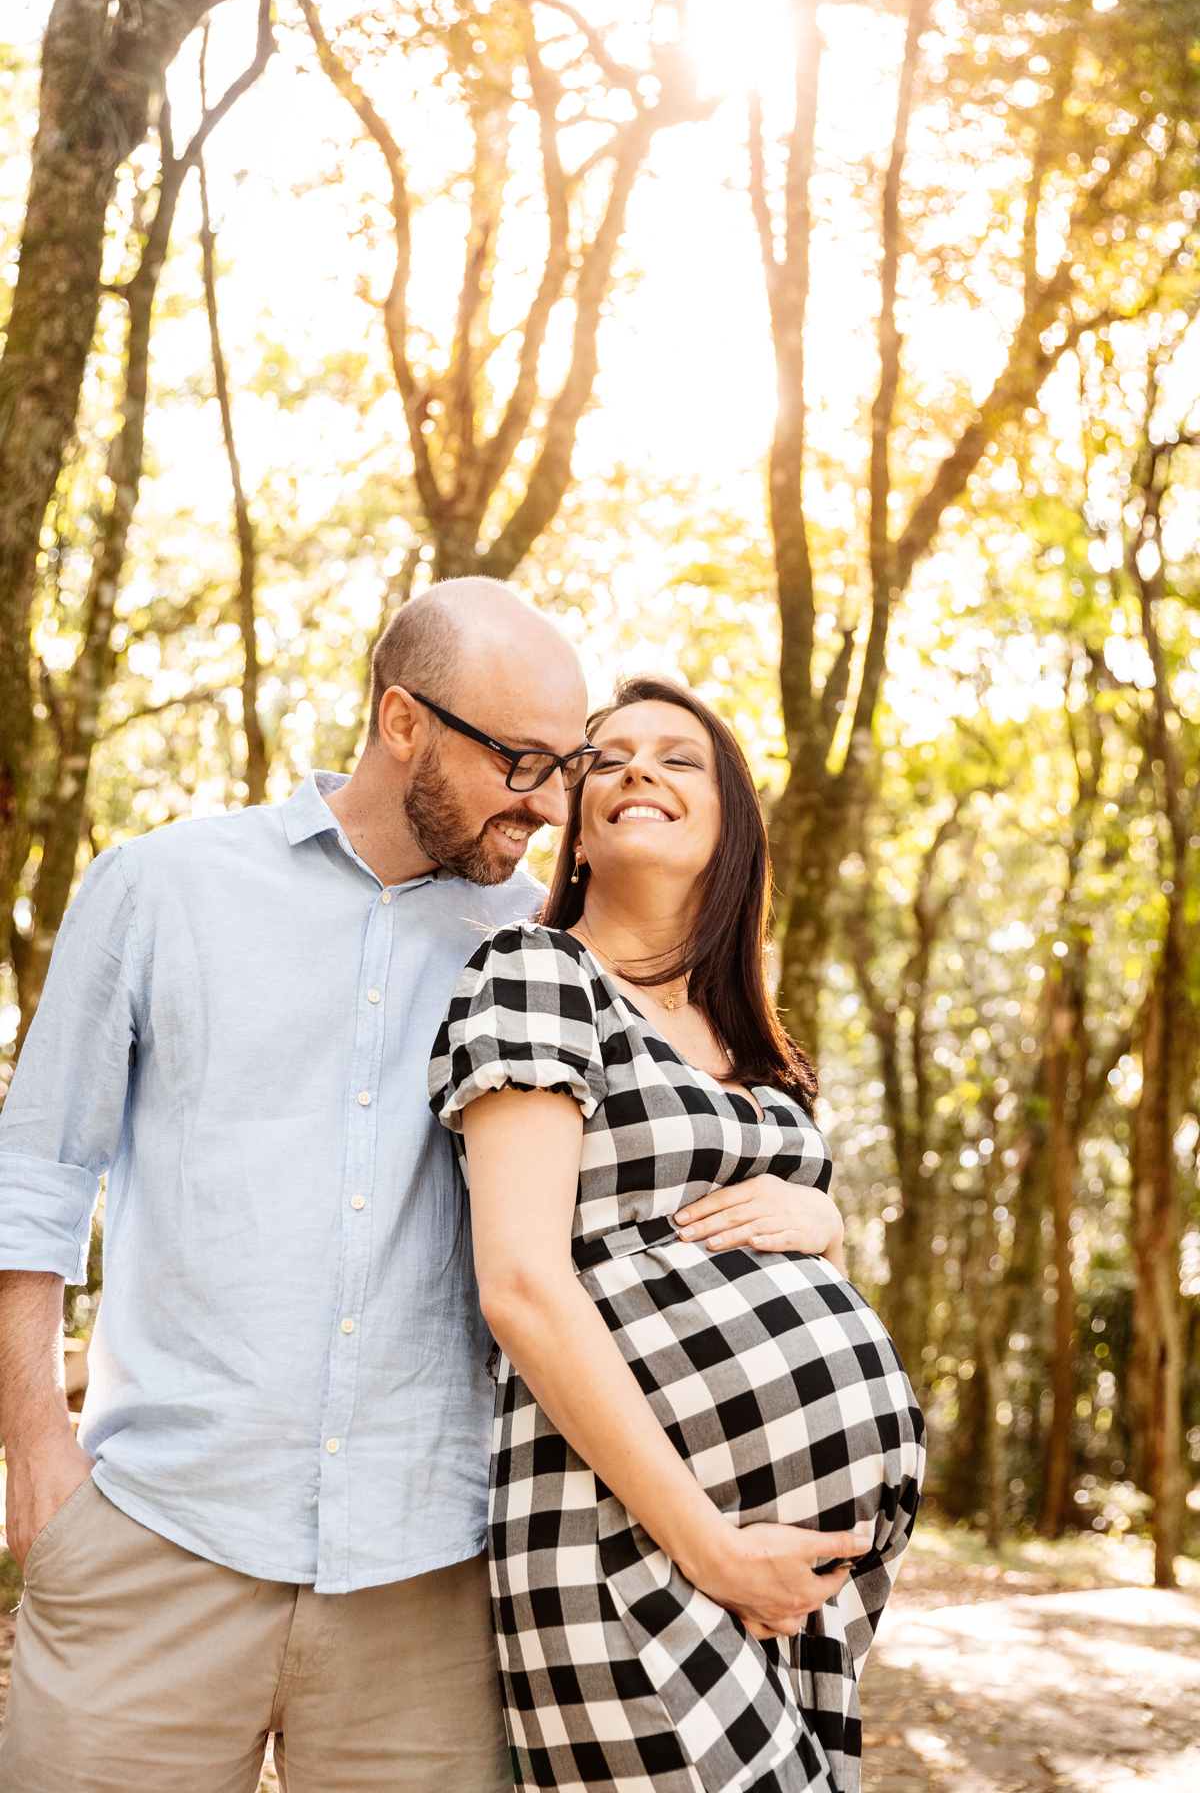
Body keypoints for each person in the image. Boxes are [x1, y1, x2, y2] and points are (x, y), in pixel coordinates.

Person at [0, 584, 846, 1793]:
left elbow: (657, 1179)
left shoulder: (553, 952)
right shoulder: (161, 887)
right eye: (521, 762)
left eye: (565, 767)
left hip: (436, 1576)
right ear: (403, 723)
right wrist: (35, 1449)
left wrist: (814, 1216)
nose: (549, 803)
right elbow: (34, 1178)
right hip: (162, 1535)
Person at [429, 674, 925, 1793]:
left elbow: (789, 1276)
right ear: (577, 827)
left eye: (676, 757)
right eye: (605, 759)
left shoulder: (756, 1043)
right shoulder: (540, 974)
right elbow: (520, 1283)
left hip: (795, 1576)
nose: (636, 770)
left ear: (731, 822)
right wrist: (710, 1546)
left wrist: (826, 1224)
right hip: (628, 1536)